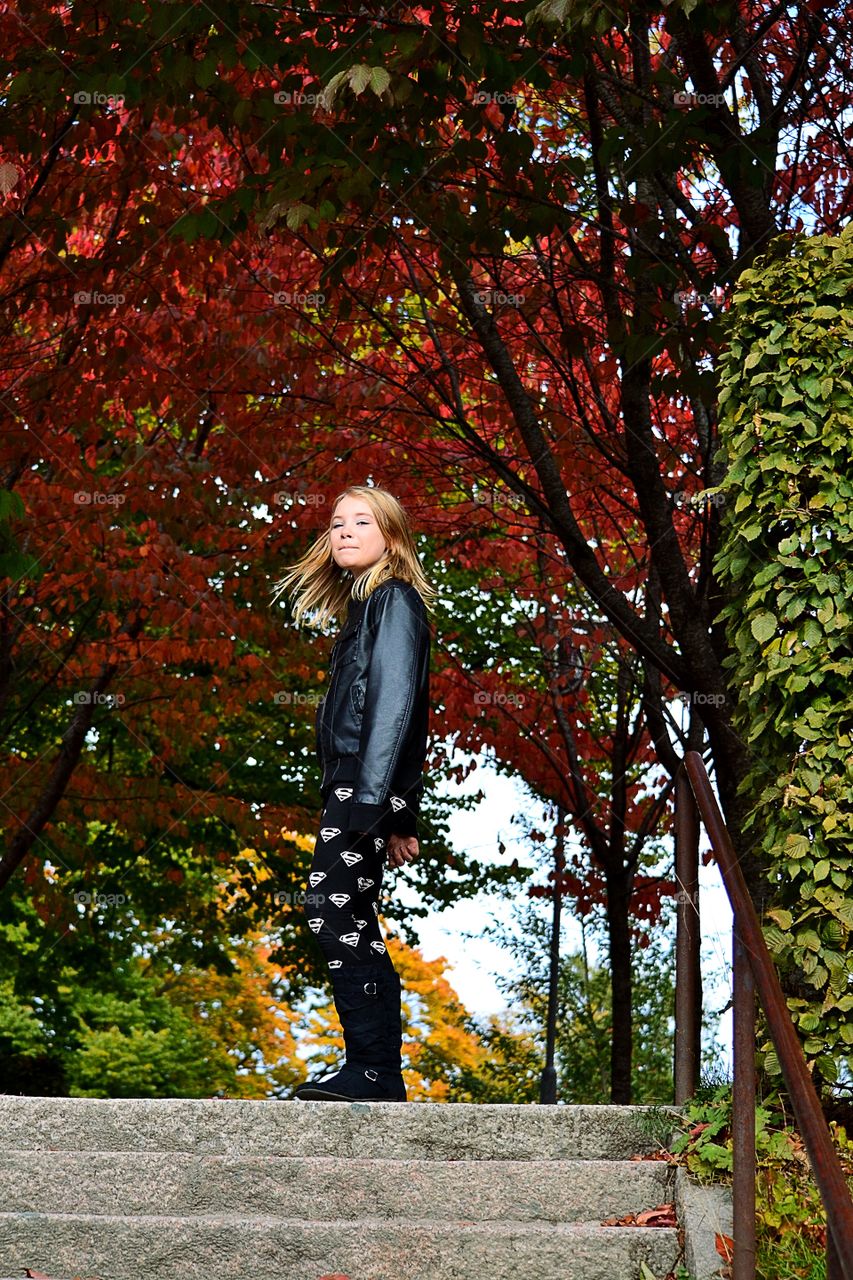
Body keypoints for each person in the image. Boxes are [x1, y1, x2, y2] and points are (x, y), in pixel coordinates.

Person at [270, 484, 435, 1101]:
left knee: (334, 911)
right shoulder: (369, 609)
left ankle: (374, 1070)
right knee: (346, 914)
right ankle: (373, 1070)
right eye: (336, 522)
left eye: (360, 521)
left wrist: (376, 803)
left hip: (359, 791)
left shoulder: (394, 601)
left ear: (390, 537)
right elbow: (405, 714)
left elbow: (395, 709)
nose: (343, 530)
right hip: (360, 790)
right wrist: (398, 814)